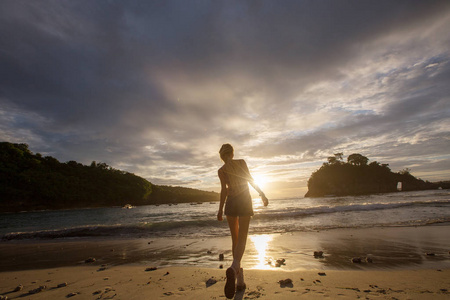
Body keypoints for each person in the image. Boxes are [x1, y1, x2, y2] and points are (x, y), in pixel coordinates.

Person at [217, 143, 269, 299]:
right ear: (232, 153)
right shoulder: (241, 163)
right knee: (243, 239)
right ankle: (234, 269)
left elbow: (224, 191)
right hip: (244, 201)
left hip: (230, 204)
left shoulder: (221, 170)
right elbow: (250, 179)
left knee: (235, 240)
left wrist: (220, 210)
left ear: (222, 156)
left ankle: (240, 282)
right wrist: (262, 194)